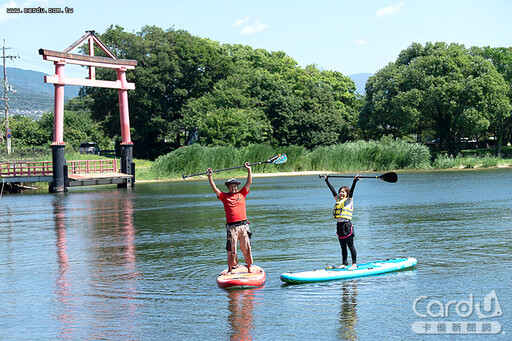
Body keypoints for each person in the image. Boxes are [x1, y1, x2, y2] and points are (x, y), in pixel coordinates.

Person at [207, 163, 253, 274]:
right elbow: (215, 188)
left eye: (235, 186)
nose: (233, 188)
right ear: (228, 187)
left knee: (246, 247)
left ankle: (249, 267)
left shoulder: (242, 193)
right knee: (231, 249)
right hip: (232, 227)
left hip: (243, 226)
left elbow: (249, 182)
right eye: (231, 186)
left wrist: (249, 170)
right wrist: (210, 177)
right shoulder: (224, 196)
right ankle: (230, 268)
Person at [322, 174, 361, 270]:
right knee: (343, 247)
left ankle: (354, 264)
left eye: (343, 192)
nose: (341, 193)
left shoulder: (349, 200)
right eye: (340, 192)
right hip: (339, 226)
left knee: (350, 246)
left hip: (347, 225)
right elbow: (332, 191)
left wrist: (355, 181)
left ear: (347, 194)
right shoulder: (338, 200)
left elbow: (352, 191)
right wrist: (326, 180)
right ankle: (344, 263)